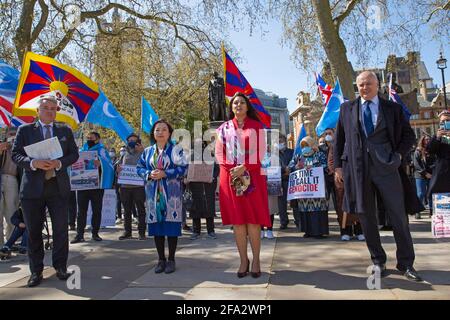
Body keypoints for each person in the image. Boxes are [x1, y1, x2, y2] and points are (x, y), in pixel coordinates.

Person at [334, 71, 421, 282]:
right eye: (361, 85)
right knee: (366, 217)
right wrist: (337, 167)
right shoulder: (347, 108)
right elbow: (339, 140)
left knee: (398, 216)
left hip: (388, 169)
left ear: (377, 85)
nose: (364, 88)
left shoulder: (392, 108)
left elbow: (408, 136)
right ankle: (378, 261)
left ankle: (406, 263)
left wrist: (399, 155)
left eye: (368, 84)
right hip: (358, 170)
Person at [12, 94, 79, 287]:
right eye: (45, 108)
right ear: (38, 111)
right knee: (33, 232)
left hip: (57, 188)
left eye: (53, 108)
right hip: (33, 189)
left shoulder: (64, 130)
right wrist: (33, 163)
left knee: (60, 230)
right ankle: (36, 271)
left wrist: (59, 162)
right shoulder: (24, 130)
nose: (49, 111)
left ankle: (60, 267)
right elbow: (16, 154)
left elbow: (74, 154)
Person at [215, 92, 271, 278]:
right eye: (235, 103)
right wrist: (234, 169)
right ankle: (243, 260)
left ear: (247, 106)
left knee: (253, 221)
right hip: (230, 179)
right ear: (231, 108)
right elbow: (220, 154)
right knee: (238, 222)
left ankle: (256, 260)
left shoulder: (257, 127)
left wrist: (244, 166)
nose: (238, 105)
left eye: (241, 102)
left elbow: (261, 152)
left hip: (253, 177)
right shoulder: (223, 129)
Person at [137, 119, 187, 274]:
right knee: (157, 228)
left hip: (171, 195)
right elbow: (139, 168)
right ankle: (160, 259)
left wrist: (166, 173)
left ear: (169, 133)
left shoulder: (176, 150)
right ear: (153, 133)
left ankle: (171, 259)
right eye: (157, 130)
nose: (160, 132)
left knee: (171, 228)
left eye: (164, 129)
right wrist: (148, 173)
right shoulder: (147, 151)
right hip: (153, 195)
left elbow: (184, 168)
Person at [71, 132, 114, 243]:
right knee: (81, 211)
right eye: (88, 137)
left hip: (97, 186)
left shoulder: (102, 150)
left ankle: (95, 233)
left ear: (98, 139)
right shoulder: (81, 150)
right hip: (82, 185)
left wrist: (100, 163)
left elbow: (109, 164)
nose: (89, 139)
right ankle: (79, 234)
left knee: (97, 210)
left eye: (92, 138)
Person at [323, 128, 364, 241]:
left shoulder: (355, 142)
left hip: (355, 179)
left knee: (357, 205)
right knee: (342, 207)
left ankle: (359, 230)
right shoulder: (335, 145)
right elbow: (331, 161)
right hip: (340, 181)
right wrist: (338, 172)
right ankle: (345, 231)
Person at [289, 136, 329, 238]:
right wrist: (296, 167)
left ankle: (319, 232)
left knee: (317, 209)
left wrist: (314, 167)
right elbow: (290, 167)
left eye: (307, 145)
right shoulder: (299, 156)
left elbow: (326, 166)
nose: (305, 148)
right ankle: (308, 231)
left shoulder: (319, 155)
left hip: (317, 189)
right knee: (305, 210)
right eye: (303, 146)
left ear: (312, 145)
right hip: (304, 191)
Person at [117, 133, 146, 240]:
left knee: (141, 209)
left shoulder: (144, 153)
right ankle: (127, 232)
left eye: (134, 140)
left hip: (139, 186)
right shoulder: (124, 155)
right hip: (125, 187)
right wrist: (118, 170)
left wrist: (142, 151)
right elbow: (119, 168)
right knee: (127, 210)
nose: (132, 142)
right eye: (130, 140)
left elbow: (149, 165)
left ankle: (141, 232)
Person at [189, 139, 219, 240]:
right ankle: (196, 231)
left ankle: (211, 231)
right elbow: (187, 169)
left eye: (201, 144)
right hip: (195, 186)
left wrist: (213, 177)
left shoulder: (210, 156)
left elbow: (216, 169)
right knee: (195, 208)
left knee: (209, 208)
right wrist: (187, 178)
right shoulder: (191, 156)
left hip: (207, 186)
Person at [0, 127, 21, 247]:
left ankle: (10, 242)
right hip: (1, 177)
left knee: (11, 213)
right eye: (10, 134)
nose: (12, 136)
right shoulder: (2, 146)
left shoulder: (19, 148)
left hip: (12, 180)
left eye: (15, 134)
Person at [426, 110, 450, 207]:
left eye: (447, 120)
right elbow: (429, 150)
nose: (444, 123)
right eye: (442, 122)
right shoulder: (437, 136)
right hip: (442, 175)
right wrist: (437, 138)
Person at [276, 134, 296, 229]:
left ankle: (298, 220)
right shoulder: (274, 155)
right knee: (281, 203)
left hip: (292, 180)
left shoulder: (292, 152)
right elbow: (273, 167)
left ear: (285, 142)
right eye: (277, 142)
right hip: (280, 181)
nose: (279, 144)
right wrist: (284, 170)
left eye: (280, 141)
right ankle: (283, 222)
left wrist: (290, 169)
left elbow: (296, 162)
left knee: (295, 201)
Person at [413, 135, 435, 218]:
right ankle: (417, 211)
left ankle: (432, 211)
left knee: (430, 193)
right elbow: (416, 165)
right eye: (426, 139)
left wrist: (432, 173)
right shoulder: (417, 151)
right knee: (420, 194)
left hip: (431, 175)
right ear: (422, 140)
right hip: (420, 176)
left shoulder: (431, 150)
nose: (428, 140)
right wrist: (425, 173)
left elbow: (434, 162)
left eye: (429, 139)